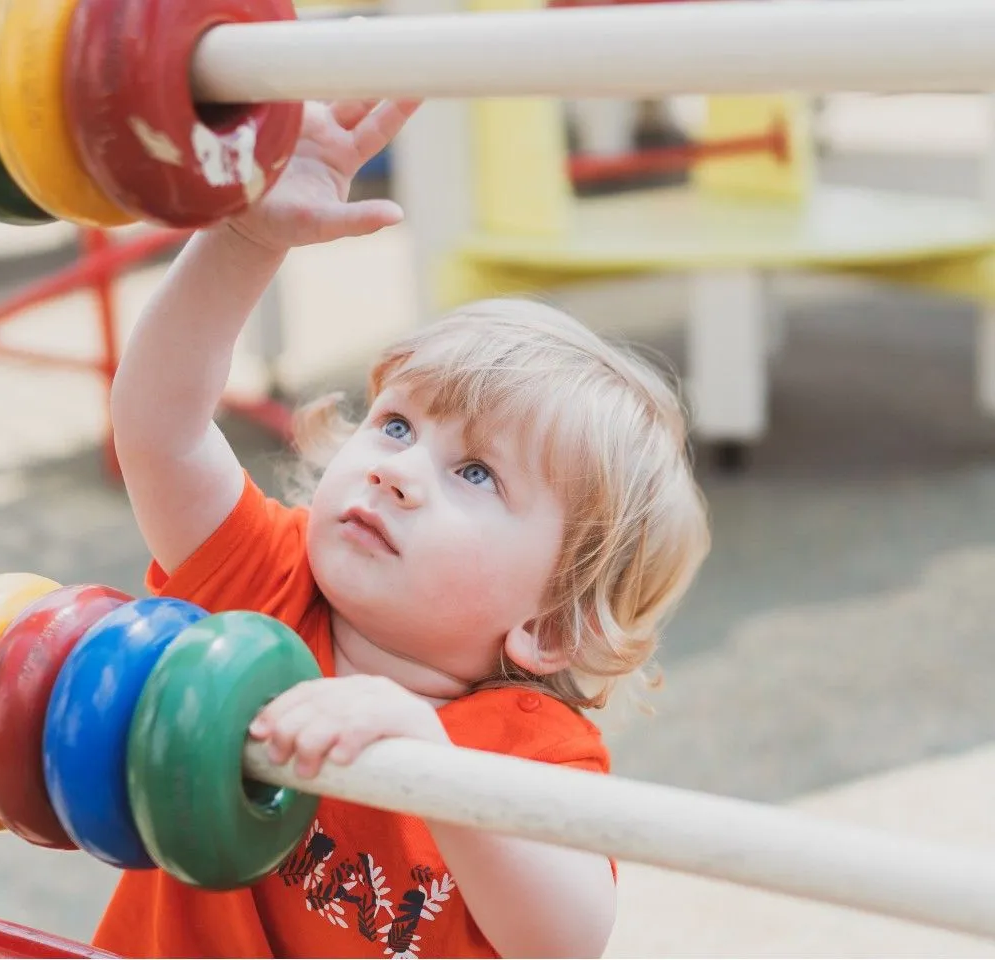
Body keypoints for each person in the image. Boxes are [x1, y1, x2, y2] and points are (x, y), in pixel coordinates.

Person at [94, 98, 710, 959]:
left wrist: (431, 764)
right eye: (394, 425)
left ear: (552, 624)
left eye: (475, 474)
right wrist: (245, 239)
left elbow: (563, 941)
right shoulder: (267, 587)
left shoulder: (531, 751)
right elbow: (158, 425)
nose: (397, 470)